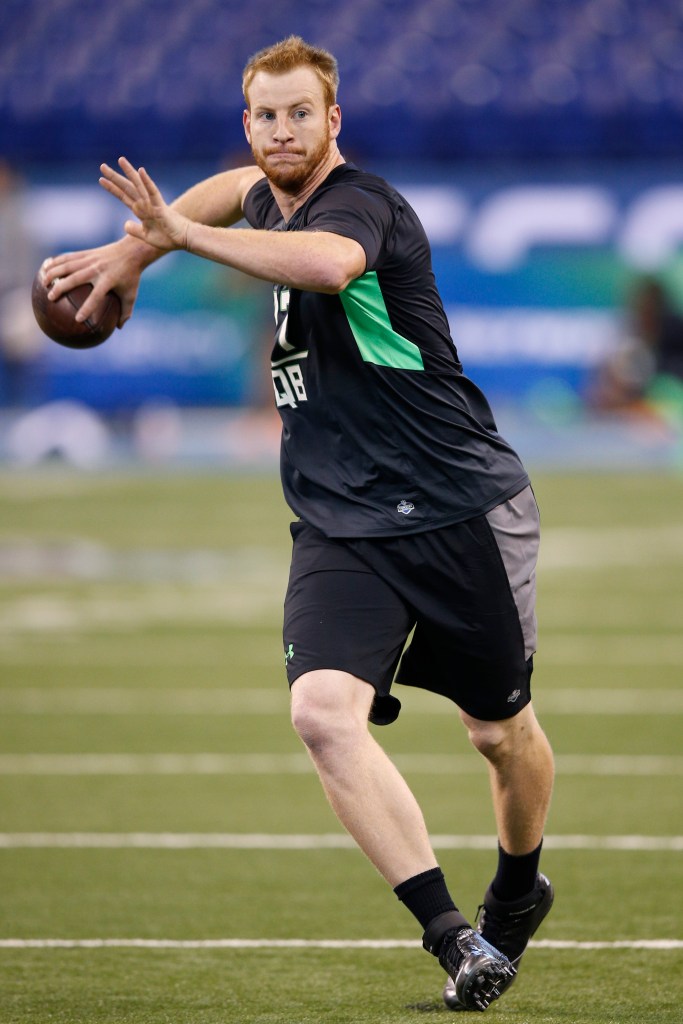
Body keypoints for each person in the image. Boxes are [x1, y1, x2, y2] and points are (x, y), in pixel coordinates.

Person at [42, 36, 555, 1012]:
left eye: (299, 113)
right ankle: (454, 940)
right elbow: (221, 190)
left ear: (333, 122)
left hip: (454, 505)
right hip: (333, 518)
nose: (282, 130)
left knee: (497, 734)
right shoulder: (258, 189)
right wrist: (129, 251)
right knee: (321, 713)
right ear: (250, 124)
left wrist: (176, 240)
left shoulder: (357, 203)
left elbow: (326, 265)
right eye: (265, 115)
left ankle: (517, 887)